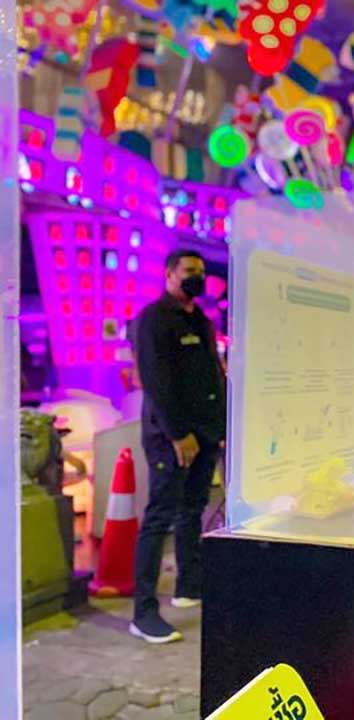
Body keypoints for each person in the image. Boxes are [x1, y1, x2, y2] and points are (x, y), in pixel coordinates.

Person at [129, 249, 225, 644]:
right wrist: (177, 434)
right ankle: (144, 613)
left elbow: (212, 376)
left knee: (192, 510)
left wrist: (218, 427)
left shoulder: (201, 320)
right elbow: (156, 381)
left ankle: (189, 586)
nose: (196, 277)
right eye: (189, 271)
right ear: (169, 274)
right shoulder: (153, 320)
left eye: (200, 271)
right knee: (160, 518)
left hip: (204, 434)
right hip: (171, 437)